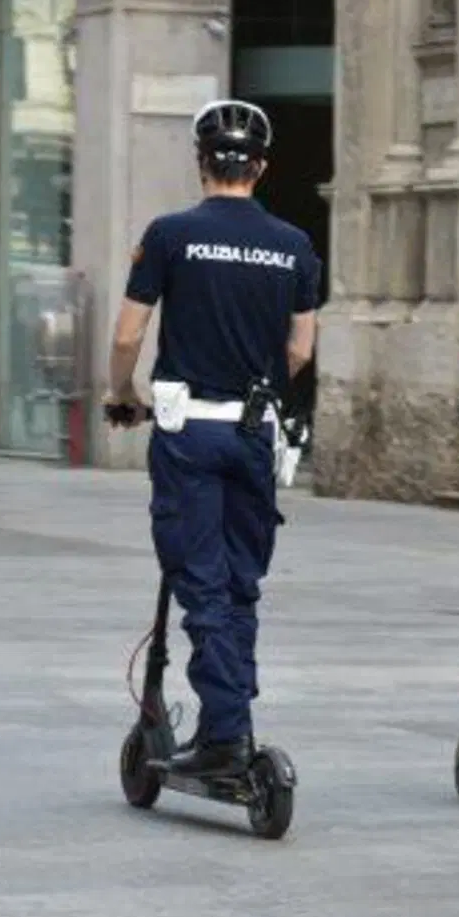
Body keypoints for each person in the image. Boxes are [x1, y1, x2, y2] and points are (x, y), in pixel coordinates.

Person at [105, 99, 320, 779]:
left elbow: (127, 334)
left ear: (201, 163)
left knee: (200, 580)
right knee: (241, 580)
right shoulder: (293, 243)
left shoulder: (170, 234)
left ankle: (225, 731)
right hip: (254, 430)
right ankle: (233, 711)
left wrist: (121, 395)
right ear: (261, 166)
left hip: (189, 429)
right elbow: (300, 349)